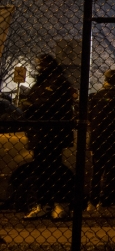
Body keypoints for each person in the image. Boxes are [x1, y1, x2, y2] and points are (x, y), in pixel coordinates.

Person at [22, 54, 75, 220]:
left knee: (53, 168)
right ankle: (45, 204)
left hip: (52, 132)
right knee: (41, 170)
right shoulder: (42, 83)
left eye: (42, 64)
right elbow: (33, 102)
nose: (39, 67)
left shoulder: (58, 82)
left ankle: (59, 203)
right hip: (40, 132)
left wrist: (33, 106)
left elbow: (48, 104)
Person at [87, 69, 115, 211]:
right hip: (114, 139)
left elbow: (90, 117)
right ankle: (106, 200)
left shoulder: (96, 96)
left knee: (97, 171)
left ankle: (92, 201)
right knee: (111, 170)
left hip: (98, 139)